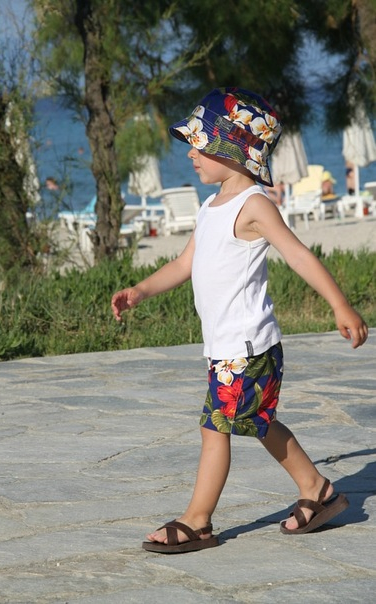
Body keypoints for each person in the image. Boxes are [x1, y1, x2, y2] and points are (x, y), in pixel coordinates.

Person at [111, 87, 368, 554]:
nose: (190, 153)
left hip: (248, 345)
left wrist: (339, 304)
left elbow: (298, 254)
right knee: (260, 423)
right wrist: (141, 290)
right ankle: (317, 490)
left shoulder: (254, 205)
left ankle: (198, 521)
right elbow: (185, 262)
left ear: (231, 147)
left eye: (199, 144)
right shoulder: (211, 207)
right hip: (227, 346)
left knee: (216, 428)